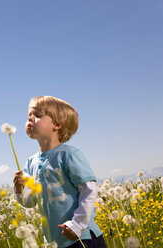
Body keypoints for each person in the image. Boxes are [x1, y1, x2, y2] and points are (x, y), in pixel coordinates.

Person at [13, 96, 107, 248]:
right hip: (54, 242)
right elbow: (29, 202)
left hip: (82, 238)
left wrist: (77, 225)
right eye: (29, 115)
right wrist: (19, 189)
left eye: (37, 115)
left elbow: (88, 191)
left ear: (56, 124)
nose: (30, 118)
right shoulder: (30, 163)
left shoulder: (69, 155)